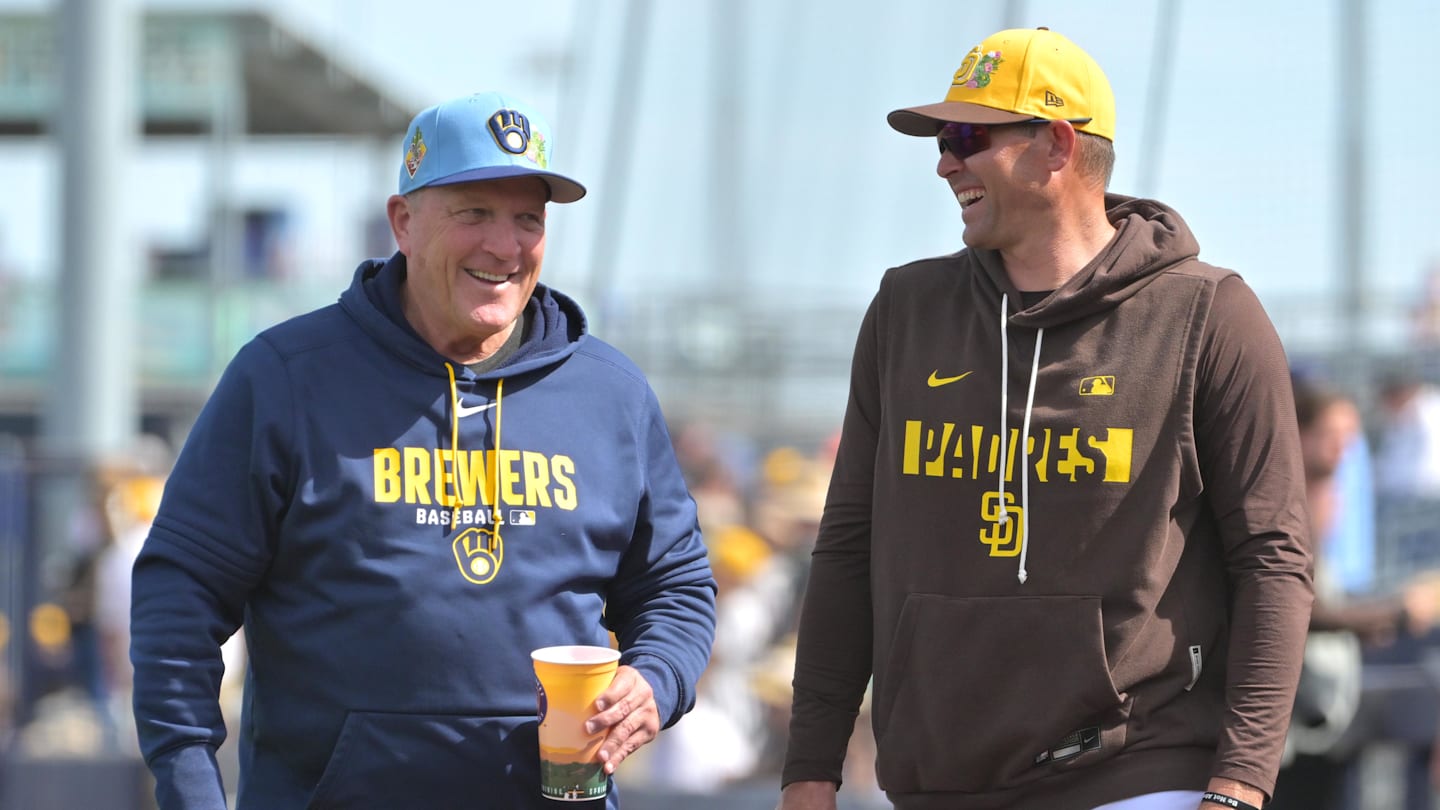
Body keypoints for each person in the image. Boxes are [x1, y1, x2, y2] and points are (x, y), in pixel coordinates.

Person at [129, 90, 718, 810]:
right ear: (403, 223)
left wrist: (656, 679)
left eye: (527, 218)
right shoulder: (287, 376)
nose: (504, 246)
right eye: (474, 213)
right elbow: (180, 593)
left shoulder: (611, 395)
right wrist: (191, 788)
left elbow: (676, 586)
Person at [776, 28, 1312, 810]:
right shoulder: (905, 310)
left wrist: (1239, 785)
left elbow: (1274, 560)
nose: (944, 161)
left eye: (967, 136)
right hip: (934, 782)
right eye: (942, 140)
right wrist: (809, 771)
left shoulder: (1209, 316)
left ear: (1057, 145)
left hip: (1136, 776)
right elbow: (848, 547)